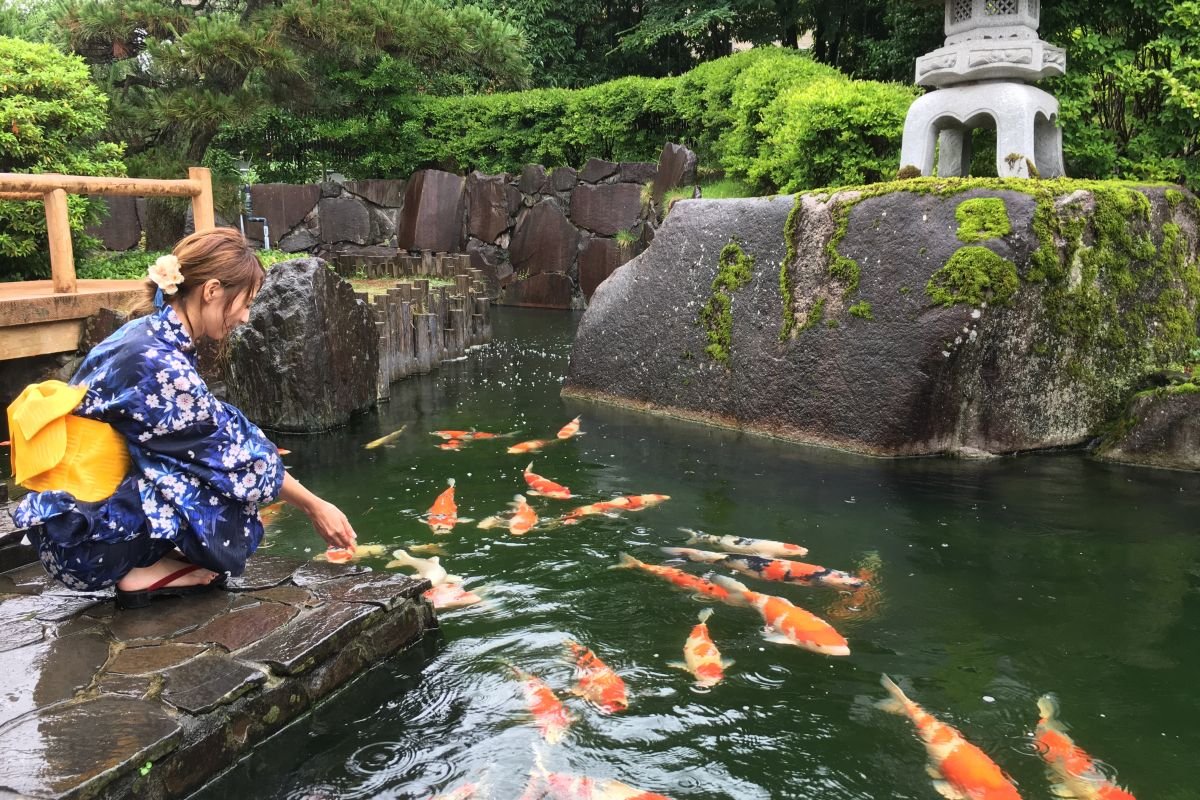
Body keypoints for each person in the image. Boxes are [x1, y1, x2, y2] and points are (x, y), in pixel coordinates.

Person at [7, 228, 355, 608]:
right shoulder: (158, 363)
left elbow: (219, 426)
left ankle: (148, 556)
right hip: (85, 545)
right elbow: (234, 455)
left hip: (77, 527)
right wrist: (315, 506)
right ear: (212, 290)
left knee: (217, 460)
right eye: (246, 303)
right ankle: (136, 571)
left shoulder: (145, 334)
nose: (245, 317)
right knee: (231, 484)